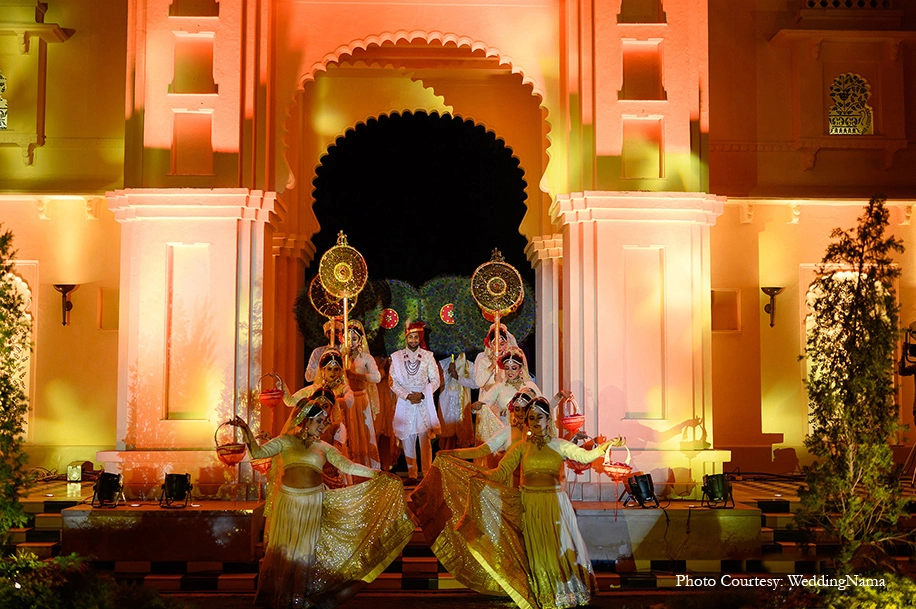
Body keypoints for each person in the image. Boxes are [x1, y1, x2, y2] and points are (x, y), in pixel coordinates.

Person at [228, 394, 415, 609]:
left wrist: (377, 474)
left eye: (324, 422)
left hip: (313, 503)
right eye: (319, 421)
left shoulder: (324, 447)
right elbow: (259, 453)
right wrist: (246, 432)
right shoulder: (285, 441)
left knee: (305, 553)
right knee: (286, 552)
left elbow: (348, 465)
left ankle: (300, 598)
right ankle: (281, 598)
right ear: (306, 420)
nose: (323, 426)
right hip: (288, 503)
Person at [455, 397, 624, 609]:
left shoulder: (560, 445)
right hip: (531, 504)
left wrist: (606, 446)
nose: (535, 421)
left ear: (548, 419)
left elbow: (585, 457)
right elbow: (501, 471)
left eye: (539, 417)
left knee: (557, 550)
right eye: (531, 417)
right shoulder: (521, 447)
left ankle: (562, 594)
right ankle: (541, 594)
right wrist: (477, 474)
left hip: (554, 504)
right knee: (537, 553)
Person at [284, 349, 355, 487]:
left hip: (335, 430)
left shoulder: (343, 388)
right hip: (315, 434)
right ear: (322, 371)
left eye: (336, 369)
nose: (332, 373)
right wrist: (283, 388)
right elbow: (290, 401)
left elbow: (350, 401)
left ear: (341, 372)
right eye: (329, 369)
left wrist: (332, 401)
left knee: (335, 459)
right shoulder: (313, 389)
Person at [389, 321, 440, 484]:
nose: (413, 340)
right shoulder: (396, 357)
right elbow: (392, 382)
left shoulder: (428, 357)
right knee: (408, 438)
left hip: (423, 401)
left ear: (420, 338)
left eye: (416, 337)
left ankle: (426, 474)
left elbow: (436, 380)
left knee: (425, 439)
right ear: (406, 337)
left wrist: (423, 394)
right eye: (410, 337)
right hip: (405, 402)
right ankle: (411, 475)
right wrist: (406, 395)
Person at [343, 319, 381, 470]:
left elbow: (377, 377)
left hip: (361, 401)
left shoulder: (366, 358)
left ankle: (367, 467)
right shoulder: (340, 356)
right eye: (347, 339)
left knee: (363, 433)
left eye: (353, 339)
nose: (350, 342)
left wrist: (357, 376)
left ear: (360, 341)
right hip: (345, 400)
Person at [437, 353, 476, 450]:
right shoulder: (442, 363)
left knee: (462, 436)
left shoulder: (470, 365)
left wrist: (458, 378)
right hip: (446, 403)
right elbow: (437, 383)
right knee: (447, 438)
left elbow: (475, 384)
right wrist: (448, 372)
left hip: (462, 403)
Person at [473, 322, 516, 393]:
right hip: (487, 400)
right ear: (490, 345)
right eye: (495, 344)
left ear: (506, 344)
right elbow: (479, 383)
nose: (498, 347)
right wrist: (491, 367)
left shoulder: (510, 362)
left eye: (502, 344)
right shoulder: (483, 361)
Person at [305, 318, 344, 383]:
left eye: (336, 332)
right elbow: (308, 376)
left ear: (341, 334)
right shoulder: (317, 352)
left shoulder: (345, 351)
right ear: (326, 334)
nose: (333, 334)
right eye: (330, 332)